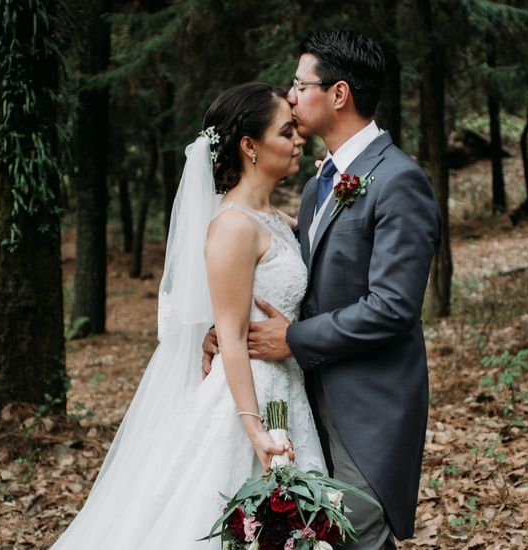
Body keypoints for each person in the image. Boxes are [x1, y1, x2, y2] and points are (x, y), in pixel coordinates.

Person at [50, 82, 326, 549]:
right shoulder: (233, 226)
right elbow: (233, 338)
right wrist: (254, 429)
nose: (299, 140)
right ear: (249, 147)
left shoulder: (275, 219)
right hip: (247, 400)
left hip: (287, 387)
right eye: (286, 132)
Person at [203, 31, 442, 550]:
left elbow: (395, 307)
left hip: (367, 405)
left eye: (299, 84)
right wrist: (230, 324)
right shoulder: (320, 184)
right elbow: (290, 277)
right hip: (302, 401)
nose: (290, 97)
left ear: (338, 94)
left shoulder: (398, 181)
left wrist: (295, 339)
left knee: (361, 537)